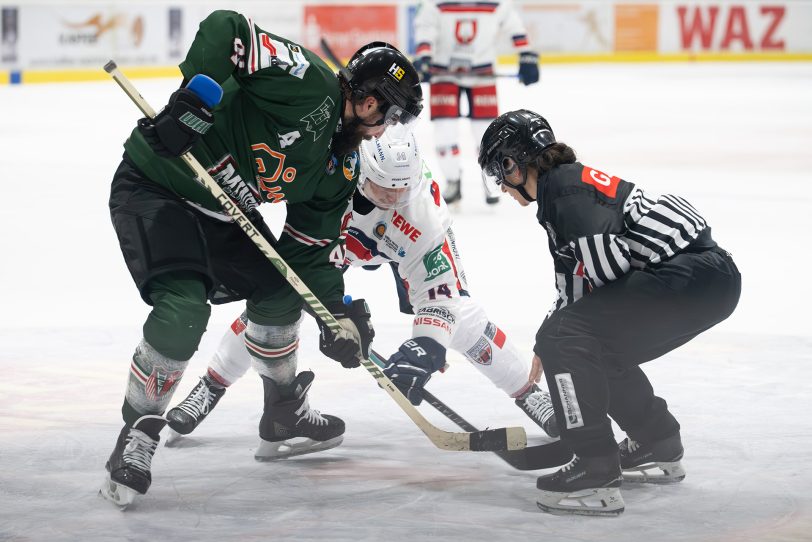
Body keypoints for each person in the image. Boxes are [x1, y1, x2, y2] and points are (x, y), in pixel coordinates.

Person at [101, 8, 423, 507]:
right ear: (367, 98)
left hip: (226, 212)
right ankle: (137, 435)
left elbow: (308, 253)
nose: (387, 129)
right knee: (184, 310)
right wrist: (195, 97)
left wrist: (334, 310)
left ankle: (283, 412)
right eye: (391, 114)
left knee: (281, 291)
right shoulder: (311, 84)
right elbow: (228, 27)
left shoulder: (341, 165)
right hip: (158, 182)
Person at [165, 127, 560, 443]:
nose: (393, 195)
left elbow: (441, 297)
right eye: (384, 186)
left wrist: (422, 350)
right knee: (278, 301)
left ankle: (529, 394)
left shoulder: (422, 214)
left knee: (465, 321)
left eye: (401, 187)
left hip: (402, 245)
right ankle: (211, 385)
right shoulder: (332, 175)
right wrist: (334, 313)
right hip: (338, 238)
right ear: (361, 170)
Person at [477, 110, 741, 516]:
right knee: (585, 342)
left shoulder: (563, 192)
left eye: (500, 174)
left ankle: (595, 466)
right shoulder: (563, 187)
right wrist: (554, 338)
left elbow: (606, 274)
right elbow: (580, 286)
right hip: (707, 279)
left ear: (513, 163)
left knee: (568, 338)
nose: (502, 187)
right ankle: (657, 441)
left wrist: (556, 344)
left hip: (689, 275)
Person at [413, 0, 539, 206]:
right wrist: (424, 56)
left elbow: (512, 23)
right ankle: (453, 179)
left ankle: (493, 178)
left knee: (488, 133)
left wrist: (526, 53)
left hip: (482, 72)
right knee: (445, 132)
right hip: (443, 73)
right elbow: (426, 25)